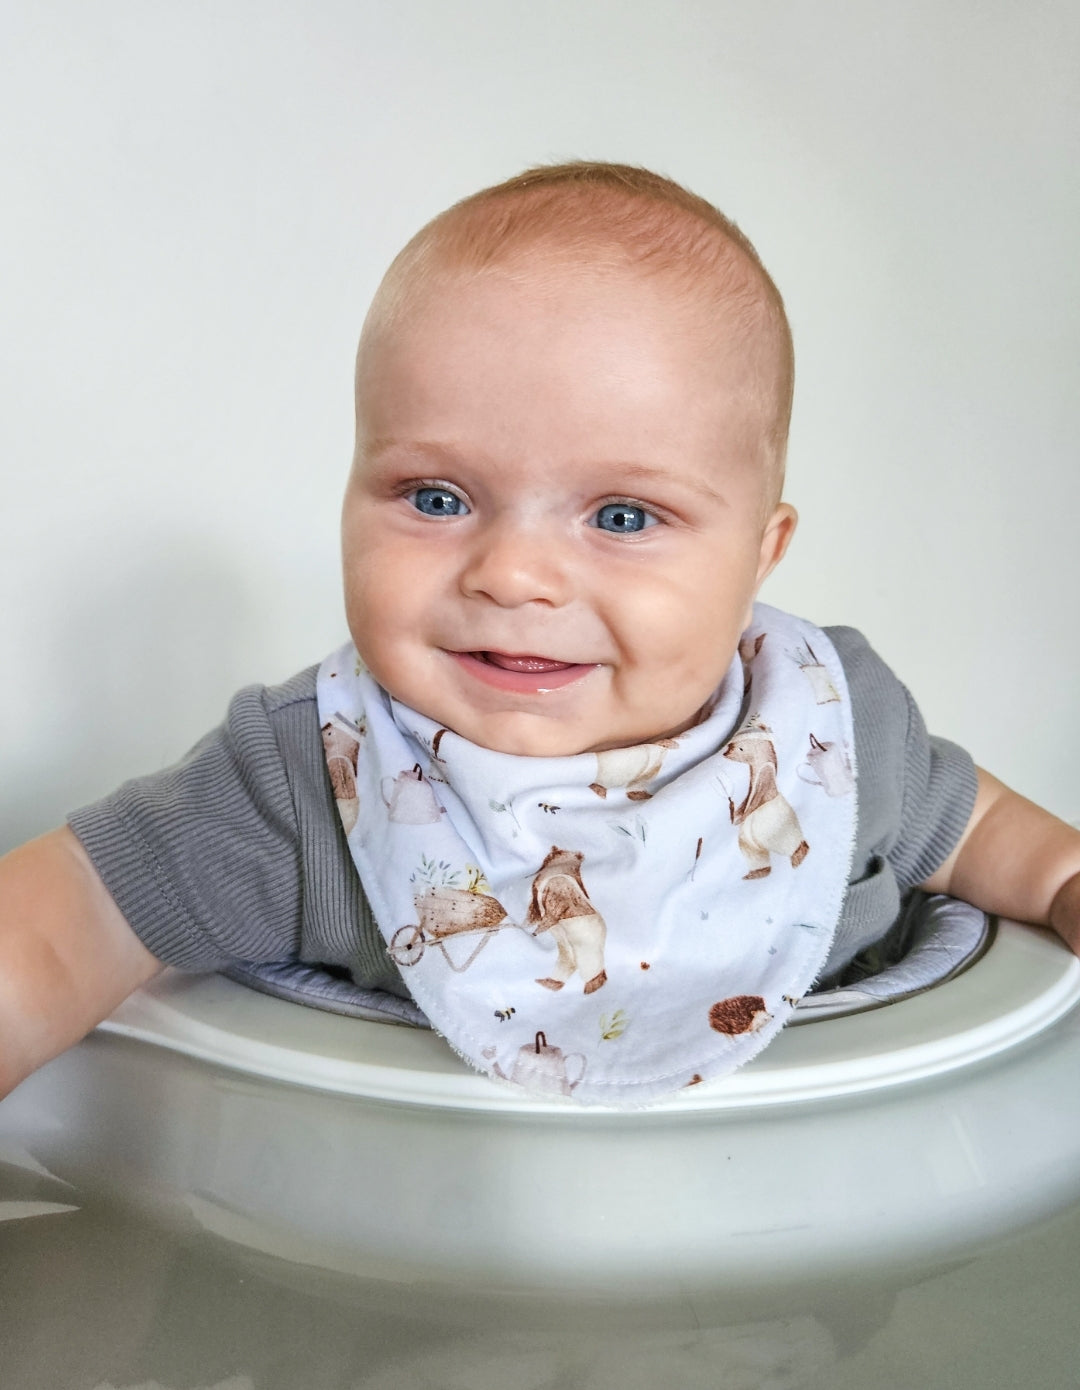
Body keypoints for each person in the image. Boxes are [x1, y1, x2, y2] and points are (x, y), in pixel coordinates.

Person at [2, 162, 1078, 1103]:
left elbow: (976, 831)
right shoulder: (304, 780)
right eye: (433, 497)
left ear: (761, 556)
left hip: (827, 1207)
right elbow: (70, 922)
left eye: (621, 517)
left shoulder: (829, 722)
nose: (512, 573)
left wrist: (1065, 878)